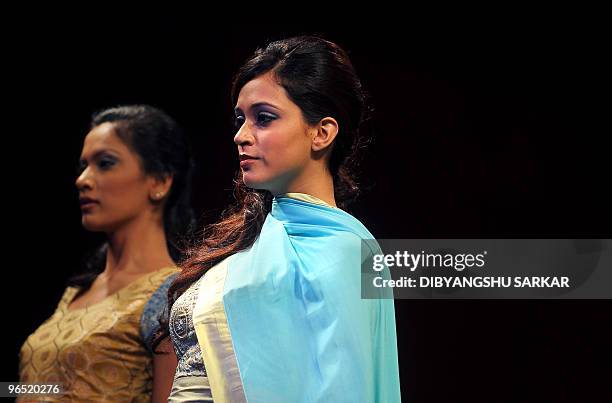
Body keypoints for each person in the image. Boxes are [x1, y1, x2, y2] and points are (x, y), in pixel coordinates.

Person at [165, 36, 401, 402]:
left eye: (264, 118)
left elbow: (343, 390)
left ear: (321, 132)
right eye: (240, 119)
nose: (240, 136)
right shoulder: (250, 241)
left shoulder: (345, 252)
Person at [19, 105, 195, 402]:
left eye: (105, 163)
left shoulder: (173, 295)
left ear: (159, 182)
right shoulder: (75, 292)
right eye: (83, 166)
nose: (82, 180)